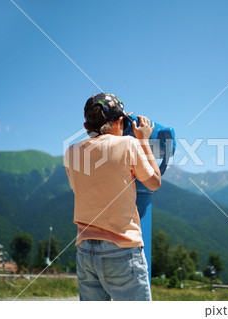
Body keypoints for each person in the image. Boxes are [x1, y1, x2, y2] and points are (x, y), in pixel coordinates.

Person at [65, 93, 161, 301]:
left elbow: (79, 189)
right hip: (122, 250)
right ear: (119, 121)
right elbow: (154, 182)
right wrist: (143, 140)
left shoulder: (71, 152)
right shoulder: (129, 144)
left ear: (86, 127)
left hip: (85, 250)